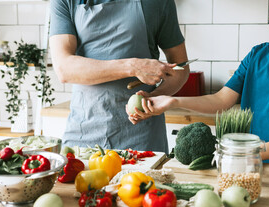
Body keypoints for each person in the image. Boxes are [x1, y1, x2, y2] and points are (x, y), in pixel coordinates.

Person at [129, 0, 269, 165]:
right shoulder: (258, 54)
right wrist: (173, 102)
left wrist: (247, 153)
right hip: (246, 164)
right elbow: (221, 99)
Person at [49, 0, 189, 153]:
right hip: (83, 135)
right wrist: (132, 67)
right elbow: (64, 68)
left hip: (142, 138)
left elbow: (180, 69)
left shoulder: (158, 3)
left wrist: (153, 99)